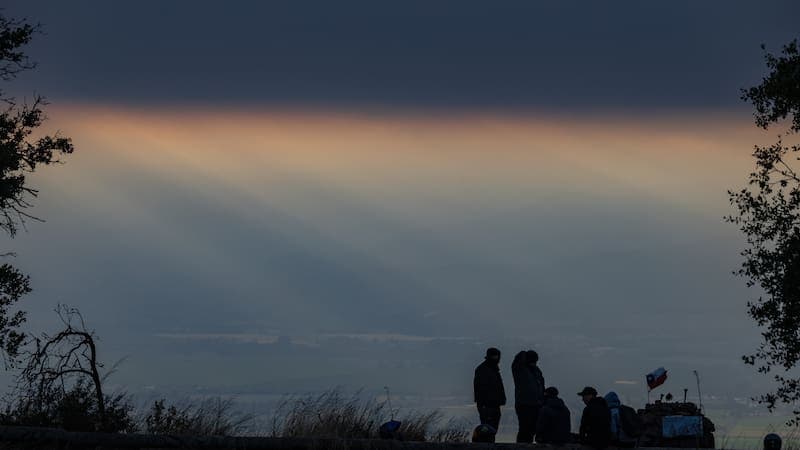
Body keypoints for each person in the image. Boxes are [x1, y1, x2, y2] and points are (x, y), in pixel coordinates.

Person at [512, 350, 545, 443]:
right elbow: (516, 362)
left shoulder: (537, 371)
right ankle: (522, 446)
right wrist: (523, 353)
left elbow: (542, 385)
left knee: (532, 430)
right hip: (524, 404)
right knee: (525, 429)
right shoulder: (520, 369)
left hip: (536, 404)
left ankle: (527, 445)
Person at [474, 347, 506, 434]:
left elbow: (498, 387)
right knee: (487, 429)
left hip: (494, 404)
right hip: (487, 405)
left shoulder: (494, 369)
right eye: (495, 356)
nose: (497, 359)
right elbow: (481, 389)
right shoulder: (483, 370)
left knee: (492, 429)